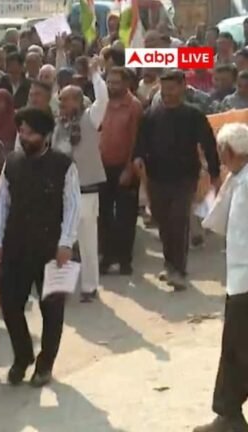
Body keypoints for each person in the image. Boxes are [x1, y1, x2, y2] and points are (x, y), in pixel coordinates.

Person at [0, 107, 80, 387]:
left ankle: (45, 365)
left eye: (29, 133)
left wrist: (66, 242)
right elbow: (1, 204)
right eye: (21, 131)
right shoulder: (13, 162)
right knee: (10, 304)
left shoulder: (64, 165)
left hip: (52, 249)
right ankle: (23, 357)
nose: (23, 136)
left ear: (45, 136)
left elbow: (72, 206)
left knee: (52, 310)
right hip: (16, 245)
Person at [133, 69, 221, 291]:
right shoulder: (151, 115)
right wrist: (137, 158)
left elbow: (209, 145)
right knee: (163, 222)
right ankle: (169, 263)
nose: (167, 93)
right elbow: (140, 141)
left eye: (172, 88)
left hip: (184, 178)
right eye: (164, 89)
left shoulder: (193, 115)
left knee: (179, 220)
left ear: (183, 87)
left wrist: (215, 173)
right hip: (156, 177)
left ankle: (179, 271)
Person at [193, 123, 248, 432]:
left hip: (245, 282)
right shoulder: (239, 181)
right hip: (240, 279)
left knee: (236, 348)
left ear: (227, 152)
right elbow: (220, 219)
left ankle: (228, 416)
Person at [52, 58, 108, 303]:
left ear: (78, 100)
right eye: (61, 100)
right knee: (62, 241)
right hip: (62, 192)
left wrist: (95, 75)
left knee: (86, 242)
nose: (62, 103)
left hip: (86, 190)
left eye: (66, 99)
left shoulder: (90, 119)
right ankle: (60, 287)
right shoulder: (59, 125)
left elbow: (103, 100)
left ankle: (89, 286)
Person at [99, 67, 143, 276]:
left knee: (125, 216)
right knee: (104, 215)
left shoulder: (134, 106)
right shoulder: (102, 103)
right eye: (109, 81)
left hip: (125, 167)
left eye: (116, 82)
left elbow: (135, 141)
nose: (112, 86)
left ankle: (125, 260)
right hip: (102, 167)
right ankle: (107, 258)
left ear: (126, 84)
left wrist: (128, 168)